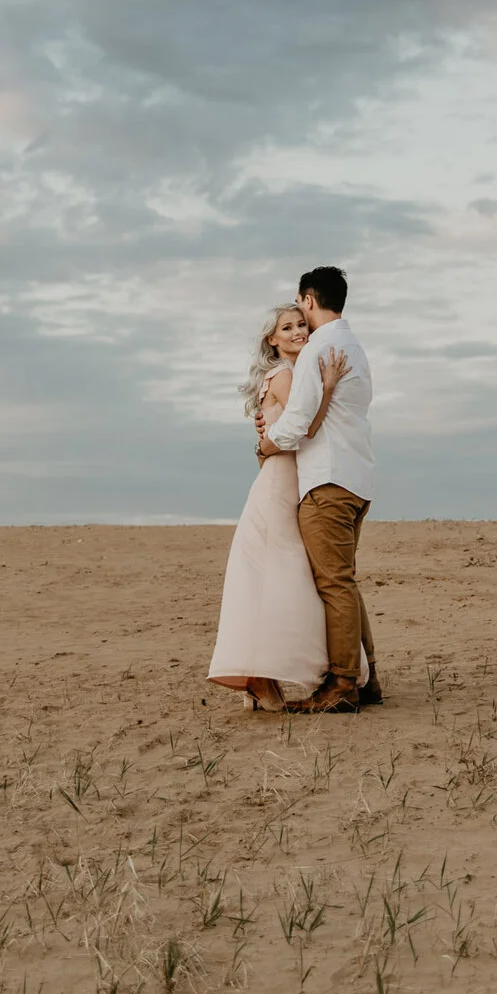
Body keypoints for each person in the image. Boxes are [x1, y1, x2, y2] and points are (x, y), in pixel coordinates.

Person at [206, 303, 349, 711]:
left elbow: (268, 447)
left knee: (274, 581)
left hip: (281, 480)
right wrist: (331, 385)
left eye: (301, 324)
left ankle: (261, 676)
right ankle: (262, 676)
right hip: (281, 486)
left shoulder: (286, 376)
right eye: (286, 328)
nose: (298, 331)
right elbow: (305, 428)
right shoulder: (285, 375)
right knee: (283, 579)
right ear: (272, 339)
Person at [257, 265, 378, 714]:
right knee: (344, 582)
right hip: (357, 478)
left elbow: (299, 422)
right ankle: (368, 680)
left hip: (327, 480)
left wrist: (267, 444)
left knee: (334, 585)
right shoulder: (355, 347)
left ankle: (344, 683)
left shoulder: (319, 349)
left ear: (309, 299)